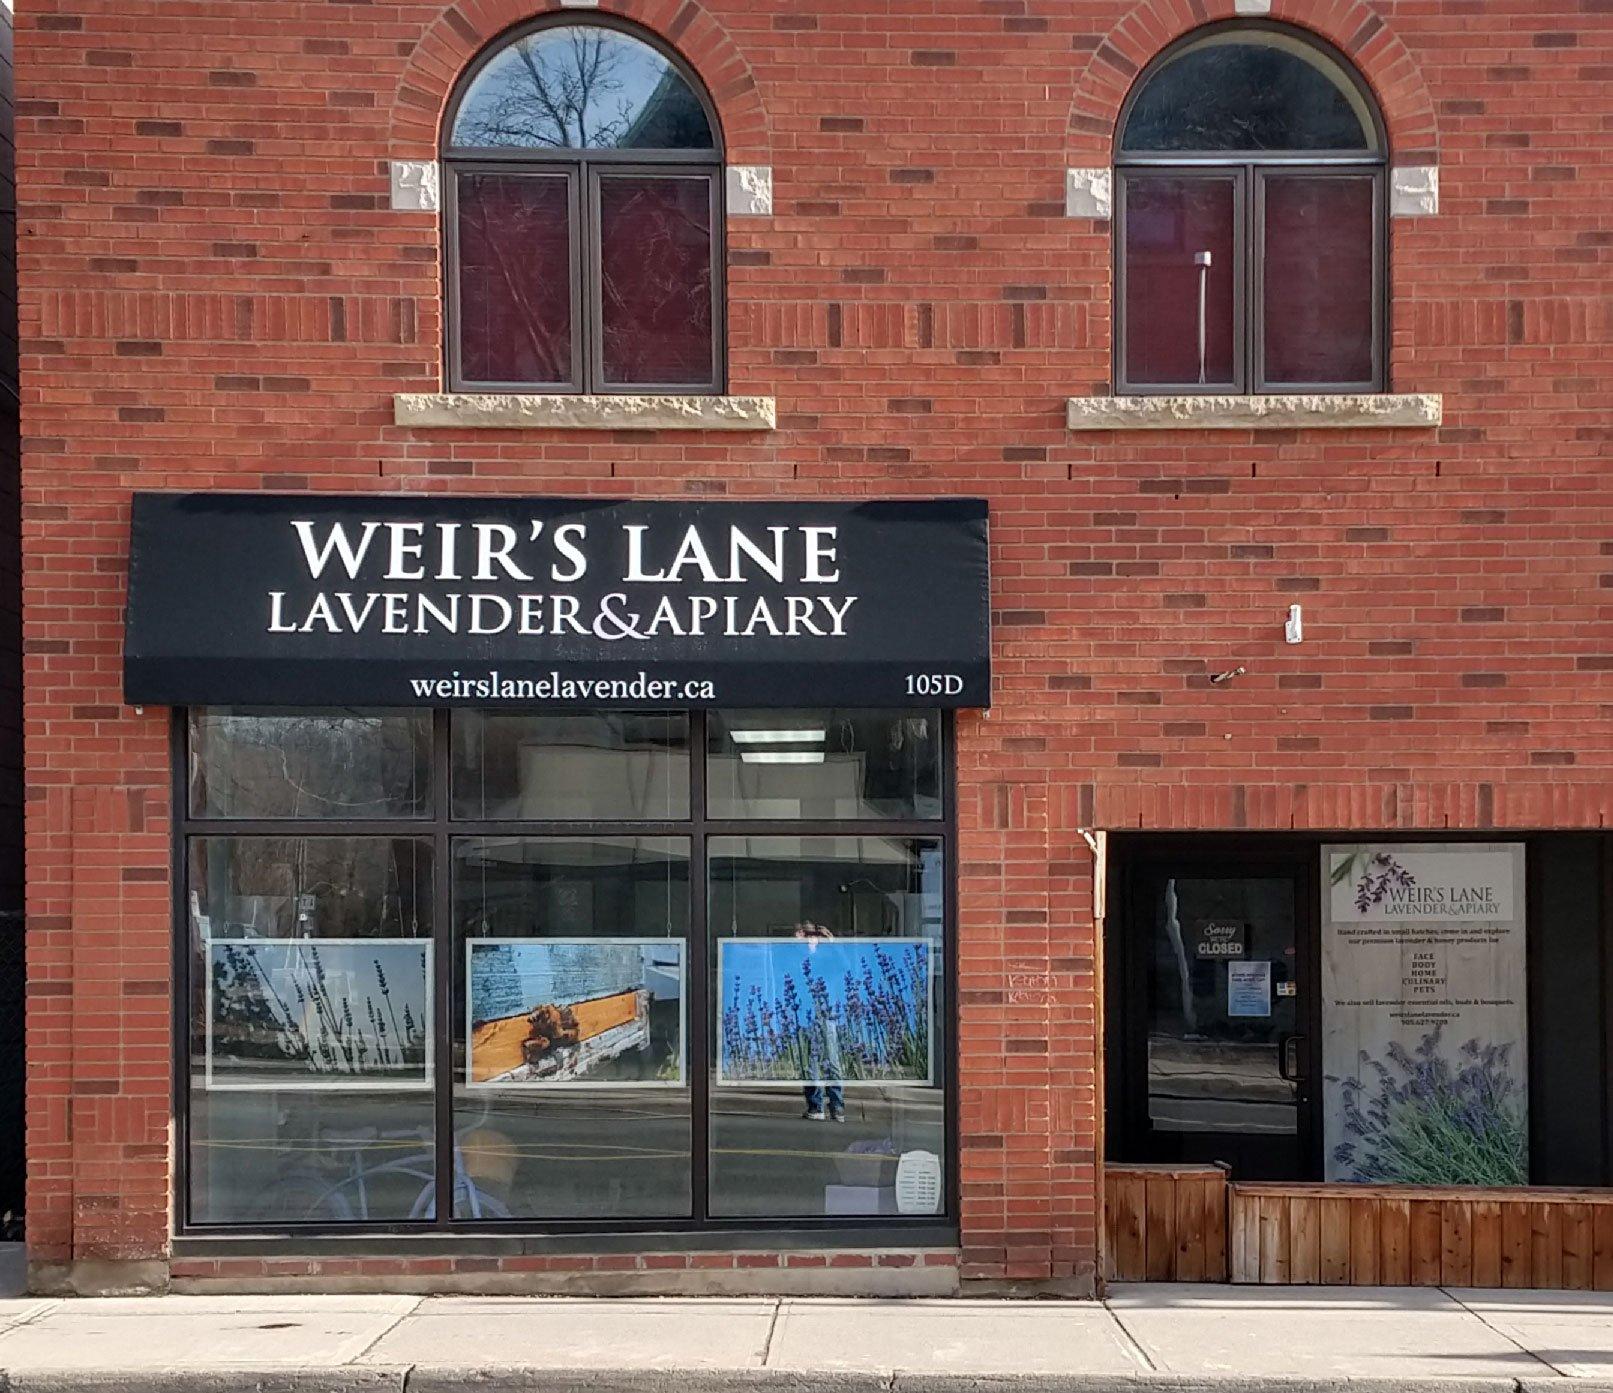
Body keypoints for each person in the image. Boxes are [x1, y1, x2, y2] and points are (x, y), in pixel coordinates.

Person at [794, 923, 844, 1122]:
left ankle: (836, 1105)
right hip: (806, 1012)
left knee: (831, 1058)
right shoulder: (797, 956)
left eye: (810, 934)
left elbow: (843, 965)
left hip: (825, 1012)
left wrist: (831, 942)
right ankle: (816, 1105)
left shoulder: (826, 957)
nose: (806, 938)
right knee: (810, 1060)